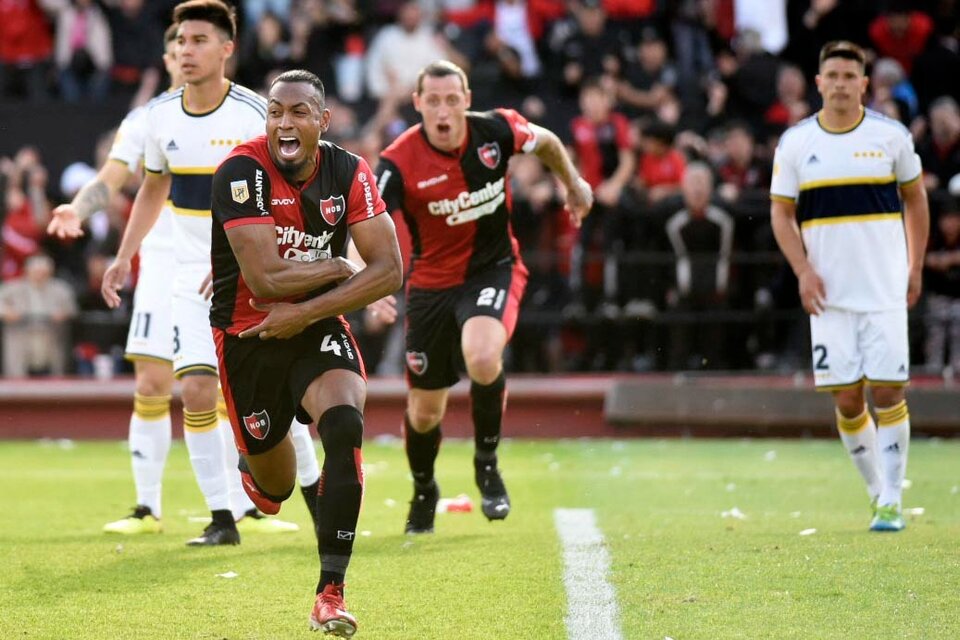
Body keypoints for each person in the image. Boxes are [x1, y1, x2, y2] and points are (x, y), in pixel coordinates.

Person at [98, 0, 305, 545]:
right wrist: (125, 255)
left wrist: (259, 257)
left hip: (252, 272)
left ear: (227, 49)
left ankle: (314, 488)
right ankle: (222, 519)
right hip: (190, 275)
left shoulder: (255, 114)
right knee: (193, 389)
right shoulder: (160, 115)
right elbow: (153, 188)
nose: (186, 52)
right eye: (181, 42)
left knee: (273, 390)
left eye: (198, 41)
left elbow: (289, 189)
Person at [210, 69, 401, 635]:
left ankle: (331, 593)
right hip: (250, 336)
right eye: (275, 112)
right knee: (275, 493)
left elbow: (390, 270)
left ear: (323, 120)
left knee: (344, 425)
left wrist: (314, 308)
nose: (284, 123)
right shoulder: (240, 171)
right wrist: (341, 267)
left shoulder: (349, 171)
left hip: (314, 327)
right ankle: (255, 466)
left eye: (298, 112)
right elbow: (266, 279)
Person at [374, 60, 593, 535]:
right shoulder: (397, 160)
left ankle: (487, 463)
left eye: (452, 99)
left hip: (492, 270)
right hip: (430, 286)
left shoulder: (497, 130)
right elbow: (368, 222)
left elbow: (550, 143)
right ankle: (424, 487)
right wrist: (369, 284)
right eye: (432, 101)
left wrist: (572, 184)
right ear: (417, 105)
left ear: (467, 100)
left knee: (482, 355)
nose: (443, 110)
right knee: (424, 411)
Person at [770, 41, 929, 532]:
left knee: (888, 389)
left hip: (884, 289)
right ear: (818, 83)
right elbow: (780, 212)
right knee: (846, 398)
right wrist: (802, 269)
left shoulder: (891, 138)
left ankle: (891, 503)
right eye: (832, 75)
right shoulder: (796, 143)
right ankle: (875, 489)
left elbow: (917, 202)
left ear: (865, 84)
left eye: (849, 76)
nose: (840, 83)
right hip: (829, 297)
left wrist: (915, 265)